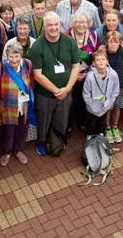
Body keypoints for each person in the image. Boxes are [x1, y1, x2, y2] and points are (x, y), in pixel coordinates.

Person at [28, 12, 80, 156]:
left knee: (62, 118)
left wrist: (67, 89)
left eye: (56, 24)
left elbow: (76, 66)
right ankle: (42, 142)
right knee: (43, 118)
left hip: (66, 92)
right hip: (45, 94)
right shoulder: (37, 47)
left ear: (60, 25)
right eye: (50, 25)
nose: (53, 28)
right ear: (45, 26)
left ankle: (58, 140)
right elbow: (37, 75)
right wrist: (57, 90)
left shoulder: (69, 42)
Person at [0, 43, 35, 166]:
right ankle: (6, 152)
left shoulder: (28, 64)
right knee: (7, 132)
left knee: (22, 130)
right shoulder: (1, 68)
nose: (14, 60)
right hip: (7, 109)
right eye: (11, 57)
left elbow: (31, 83)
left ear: (21, 55)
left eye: (17, 56)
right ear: (7, 56)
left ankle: (18, 150)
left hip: (24, 107)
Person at [82, 49, 119, 136]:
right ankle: (90, 136)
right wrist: (91, 106)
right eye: (98, 60)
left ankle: (100, 135)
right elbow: (86, 93)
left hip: (105, 106)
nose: (101, 62)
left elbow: (115, 90)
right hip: (92, 107)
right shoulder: (90, 77)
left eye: (103, 59)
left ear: (107, 62)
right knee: (90, 123)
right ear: (93, 64)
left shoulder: (113, 74)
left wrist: (109, 103)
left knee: (101, 122)